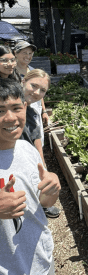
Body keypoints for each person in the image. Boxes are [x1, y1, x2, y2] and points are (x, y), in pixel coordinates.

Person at [0, 78, 61, 274]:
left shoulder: (26, 149)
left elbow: (42, 202)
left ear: (25, 107)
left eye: (16, 108)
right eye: (0, 110)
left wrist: (51, 190)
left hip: (41, 260)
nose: (10, 118)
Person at [21, 69, 60, 218]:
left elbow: (36, 138)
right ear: (23, 82)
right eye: (34, 86)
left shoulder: (31, 112)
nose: (37, 92)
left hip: (28, 162)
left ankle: (38, 207)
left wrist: (42, 164)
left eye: (42, 90)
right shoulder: (8, 107)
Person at [14, 41, 49, 144]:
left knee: (37, 138)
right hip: (20, 112)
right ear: (15, 53)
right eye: (24, 53)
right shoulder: (11, 73)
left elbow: (40, 92)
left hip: (36, 111)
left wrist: (44, 111)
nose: (28, 56)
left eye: (30, 54)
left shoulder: (33, 71)